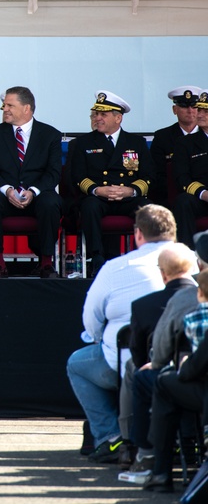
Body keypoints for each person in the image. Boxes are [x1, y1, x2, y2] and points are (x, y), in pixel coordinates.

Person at [65, 204, 175, 464]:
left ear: (138, 234)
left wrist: (98, 338)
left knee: (77, 364)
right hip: (182, 366)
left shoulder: (115, 268)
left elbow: (91, 319)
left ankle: (110, 437)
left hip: (123, 363)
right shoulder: (194, 261)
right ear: (173, 232)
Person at [119, 242, 198, 479]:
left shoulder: (148, 305)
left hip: (188, 380)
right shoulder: (196, 295)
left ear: (162, 272)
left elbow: (158, 352)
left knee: (141, 374)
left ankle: (144, 452)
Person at [0, 87, 63, 279]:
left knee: (51, 202)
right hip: (5, 197)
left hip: (37, 196)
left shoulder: (50, 135)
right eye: (4, 105)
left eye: (10, 105)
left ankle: (47, 263)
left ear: (26, 108)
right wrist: (7, 190)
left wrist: (33, 191)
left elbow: (53, 173)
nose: (4, 109)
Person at [70, 91, 152, 274]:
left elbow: (148, 175)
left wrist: (131, 191)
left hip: (128, 197)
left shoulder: (136, 142)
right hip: (99, 197)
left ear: (118, 118)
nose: (97, 118)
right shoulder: (83, 143)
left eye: (103, 115)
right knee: (89, 206)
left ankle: (146, 259)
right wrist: (97, 190)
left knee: (148, 209)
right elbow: (77, 175)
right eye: (95, 114)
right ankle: (97, 258)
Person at [142, 267, 208, 493]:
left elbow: (193, 367)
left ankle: (160, 469)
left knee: (163, 383)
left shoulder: (194, 316)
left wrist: (184, 365)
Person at [149, 85, 201, 205]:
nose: (190, 110)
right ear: (174, 109)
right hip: (173, 197)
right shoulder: (162, 137)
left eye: (194, 106)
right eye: (184, 106)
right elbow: (157, 175)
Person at [170, 90, 208, 248]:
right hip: (200, 197)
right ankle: (188, 254)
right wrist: (203, 193)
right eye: (199, 110)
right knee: (183, 201)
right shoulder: (185, 143)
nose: (199, 114)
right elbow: (182, 177)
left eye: (205, 111)